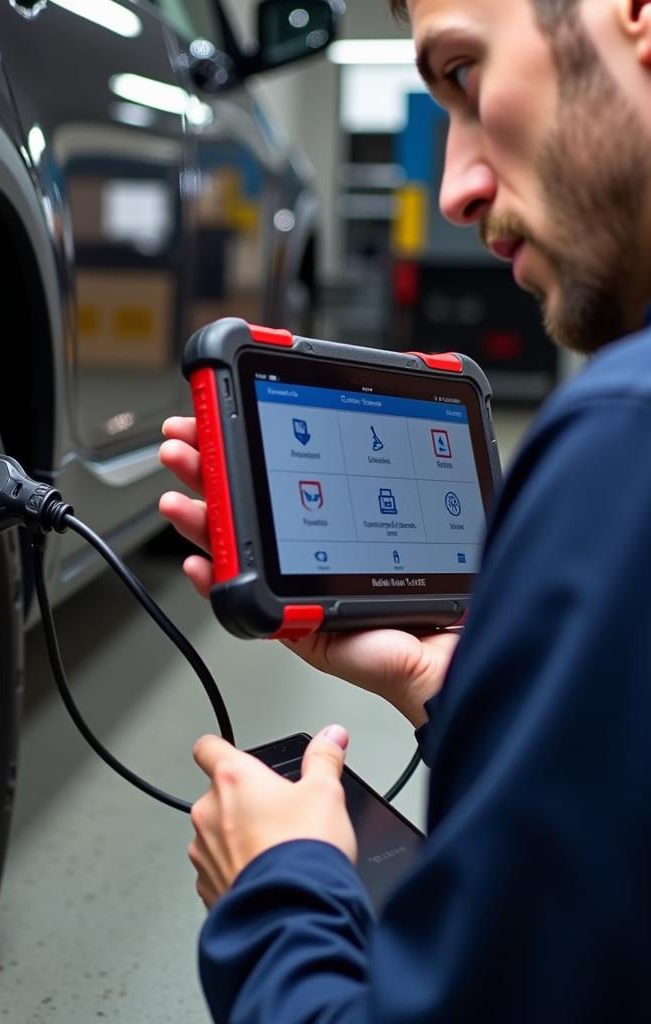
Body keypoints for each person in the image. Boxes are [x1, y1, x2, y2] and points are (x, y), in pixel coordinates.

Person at [158, 0, 651, 1020]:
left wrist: (276, 888)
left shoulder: (621, 438)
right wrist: (454, 684)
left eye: (465, 77)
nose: (457, 187)